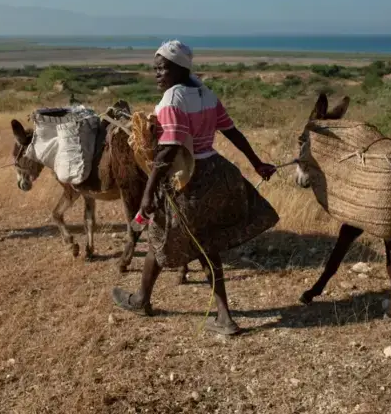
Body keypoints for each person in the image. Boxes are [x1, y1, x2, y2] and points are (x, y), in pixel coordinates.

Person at [111, 40, 280, 335]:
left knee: (159, 238)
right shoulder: (206, 93)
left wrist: (148, 193)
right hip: (218, 172)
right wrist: (255, 162)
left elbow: (168, 150)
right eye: (155, 68)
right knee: (207, 241)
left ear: (179, 68)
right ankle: (224, 318)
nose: (157, 74)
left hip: (188, 178)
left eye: (162, 68)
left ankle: (141, 300)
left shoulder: (171, 101)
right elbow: (231, 131)